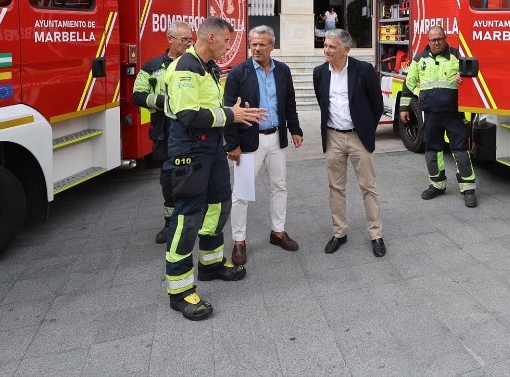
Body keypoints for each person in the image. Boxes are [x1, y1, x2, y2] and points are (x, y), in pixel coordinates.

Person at [162, 16, 267, 321]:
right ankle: (179, 291)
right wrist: (230, 115)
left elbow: (213, 109)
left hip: (211, 148)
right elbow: (187, 114)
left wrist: (231, 117)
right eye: (225, 41)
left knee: (218, 206)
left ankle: (210, 264)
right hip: (190, 151)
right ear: (210, 38)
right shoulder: (184, 67)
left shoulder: (209, 68)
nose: (228, 47)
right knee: (188, 217)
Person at [224, 25, 303, 265]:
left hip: (276, 139)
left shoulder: (283, 70)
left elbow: (289, 101)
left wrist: (295, 129)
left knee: (279, 187)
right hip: (249, 141)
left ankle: (278, 232)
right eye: (254, 43)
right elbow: (229, 110)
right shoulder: (239, 73)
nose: (257, 48)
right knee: (242, 193)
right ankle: (239, 241)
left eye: (262, 44)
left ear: (272, 46)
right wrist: (232, 144)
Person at [312, 29, 386, 258]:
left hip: (358, 137)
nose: (326, 50)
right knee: (336, 188)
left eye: (332, 47)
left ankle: (376, 235)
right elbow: (322, 101)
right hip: (333, 136)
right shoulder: (319, 73)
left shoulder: (363, 70)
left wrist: (365, 130)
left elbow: (377, 105)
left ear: (345, 49)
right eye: (325, 45)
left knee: (368, 187)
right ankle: (339, 232)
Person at [399, 26, 477, 208]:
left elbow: (475, 77)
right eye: (433, 40)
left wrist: (463, 77)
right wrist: (404, 108)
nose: (436, 42)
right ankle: (437, 185)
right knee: (432, 152)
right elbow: (408, 84)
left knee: (460, 151)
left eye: (439, 39)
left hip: (453, 114)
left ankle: (468, 190)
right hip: (431, 114)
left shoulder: (457, 56)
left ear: (445, 38)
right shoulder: (419, 59)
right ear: (428, 40)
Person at [131, 19, 194, 244]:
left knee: (192, 176)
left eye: (190, 39)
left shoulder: (196, 64)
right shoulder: (152, 66)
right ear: (170, 39)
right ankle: (170, 223)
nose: (189, 44)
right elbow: (137, 94)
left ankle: (192, 219)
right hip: (164, 133)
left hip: (191, 132)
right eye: (184, 39)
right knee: (168, 180)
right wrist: (165, 101)